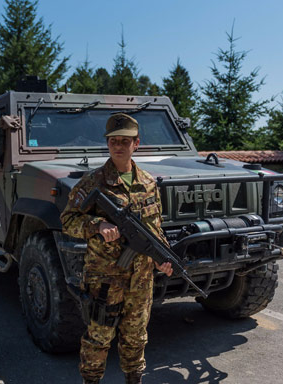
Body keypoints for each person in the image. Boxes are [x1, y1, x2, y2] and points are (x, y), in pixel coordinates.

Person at [61, 113, 174, 384]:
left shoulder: (148, 183)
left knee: (136, 336)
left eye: (125, 141)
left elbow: (154, 228)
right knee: (99, 338)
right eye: (113, 141)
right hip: (105, 279)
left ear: (137, 143)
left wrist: (164, 257)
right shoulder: (92, 182)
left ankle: (134, 379)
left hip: (141, 279)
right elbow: (67, 220)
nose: (118, 146)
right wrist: (97, 225)